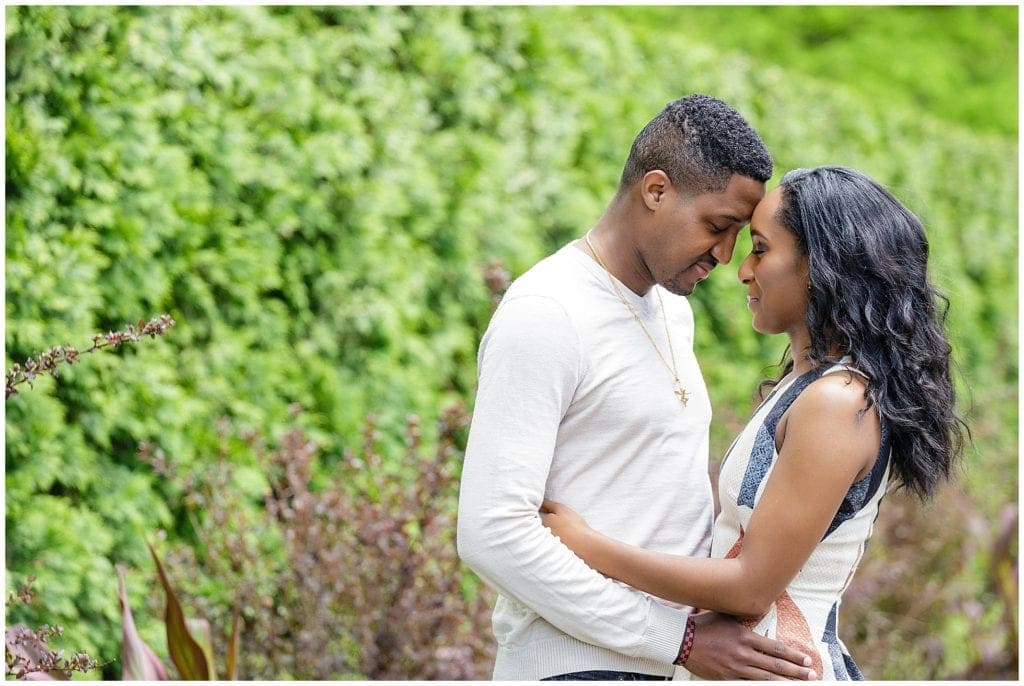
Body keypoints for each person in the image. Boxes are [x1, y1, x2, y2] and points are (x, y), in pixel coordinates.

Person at [541, 165, 968, 680]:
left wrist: (584, 544)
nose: (742, 269)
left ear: (822, 266)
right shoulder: (812, 386)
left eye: (761, 248)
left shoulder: (837, 401)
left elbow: (750, 586)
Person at [457, 94, 819, 681]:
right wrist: (677, 639)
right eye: (717, 226)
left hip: (657, 666)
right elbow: (490, 532)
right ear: (656, 191)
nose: (726, 257)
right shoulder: (548, 311)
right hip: (574, 666)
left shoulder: (672, 311)